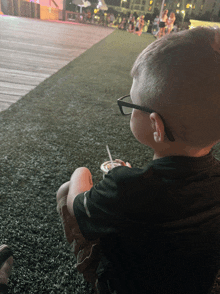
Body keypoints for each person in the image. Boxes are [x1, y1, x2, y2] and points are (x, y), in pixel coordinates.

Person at [57, 27, 220, 294]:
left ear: (157, 125)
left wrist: (82, 172)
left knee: (67, 190)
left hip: (123, 286)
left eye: (132, 104)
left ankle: (89, 268)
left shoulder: (126, 187)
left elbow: (77, 204)